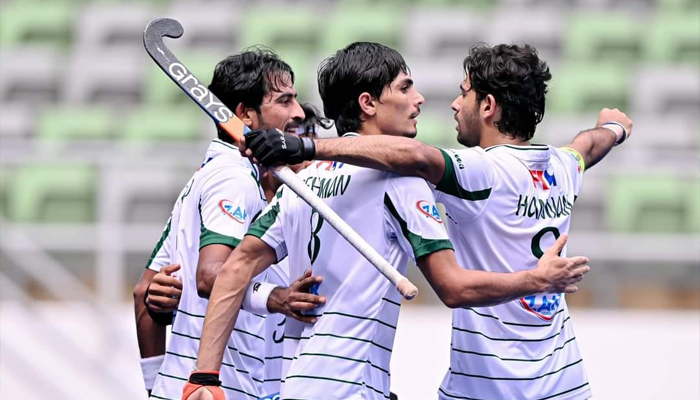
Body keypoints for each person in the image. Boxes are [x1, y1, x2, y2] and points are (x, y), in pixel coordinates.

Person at [182, 42, 590, 400]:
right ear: (368, 103)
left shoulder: (301, 183)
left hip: (300, 382)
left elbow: (234, 270)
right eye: (405, 87)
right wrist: (535, 280)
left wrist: (203, 375)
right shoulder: (399, 181)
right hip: (352, 387)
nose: (421, 99)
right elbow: (451, 286)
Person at [132, 47, 325, 400]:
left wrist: (155, 385)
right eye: (284, 101)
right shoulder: (233, 178)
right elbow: (209, 277)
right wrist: (276, 297)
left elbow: (144, 290)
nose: (296, 112)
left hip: (200, 387)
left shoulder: (212, 175)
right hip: (217, 389)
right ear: (244, 114)